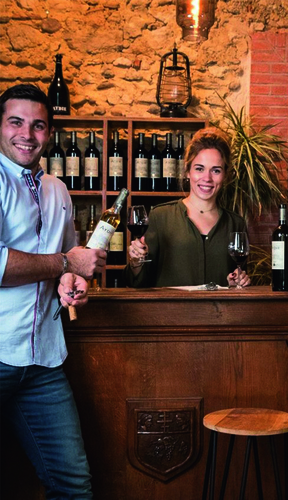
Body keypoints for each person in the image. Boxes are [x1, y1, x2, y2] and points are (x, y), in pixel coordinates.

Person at [0, 84, 107, 497]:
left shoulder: (57, 190)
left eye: (39, 125)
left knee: (74, 486)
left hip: (44, 362)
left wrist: (71, 281)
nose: (27, 134)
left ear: (49, 133)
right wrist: (66, 264)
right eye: (16, 122)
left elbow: (64, 262)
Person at [124, 127, 250, 288]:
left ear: (225, 175)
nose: (207, 178)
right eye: (199, 169)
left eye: (216, 170)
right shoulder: (160, 216)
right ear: (188, 171)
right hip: (171, 306)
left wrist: (237, 280)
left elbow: (238, 277)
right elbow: (138, 281)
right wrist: (136, 262)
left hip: (219, 306)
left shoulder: (236, 223)